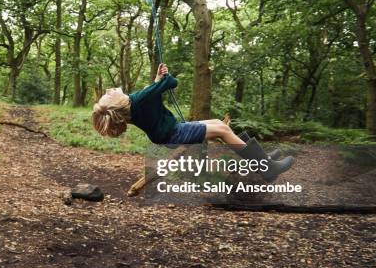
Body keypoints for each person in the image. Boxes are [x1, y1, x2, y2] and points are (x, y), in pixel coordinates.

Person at [92, 63, 294, 182]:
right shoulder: (137, 99)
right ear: (118, 101)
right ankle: (267, 168)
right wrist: (166, 78)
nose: (109, 90)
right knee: (223, 130)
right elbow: (172, 84)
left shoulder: (132, 106)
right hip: (173, 134)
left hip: (168, 132)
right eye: (108, 95)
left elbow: (152, 94)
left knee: (217, 122)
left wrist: (157, 79)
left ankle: (262, 159)